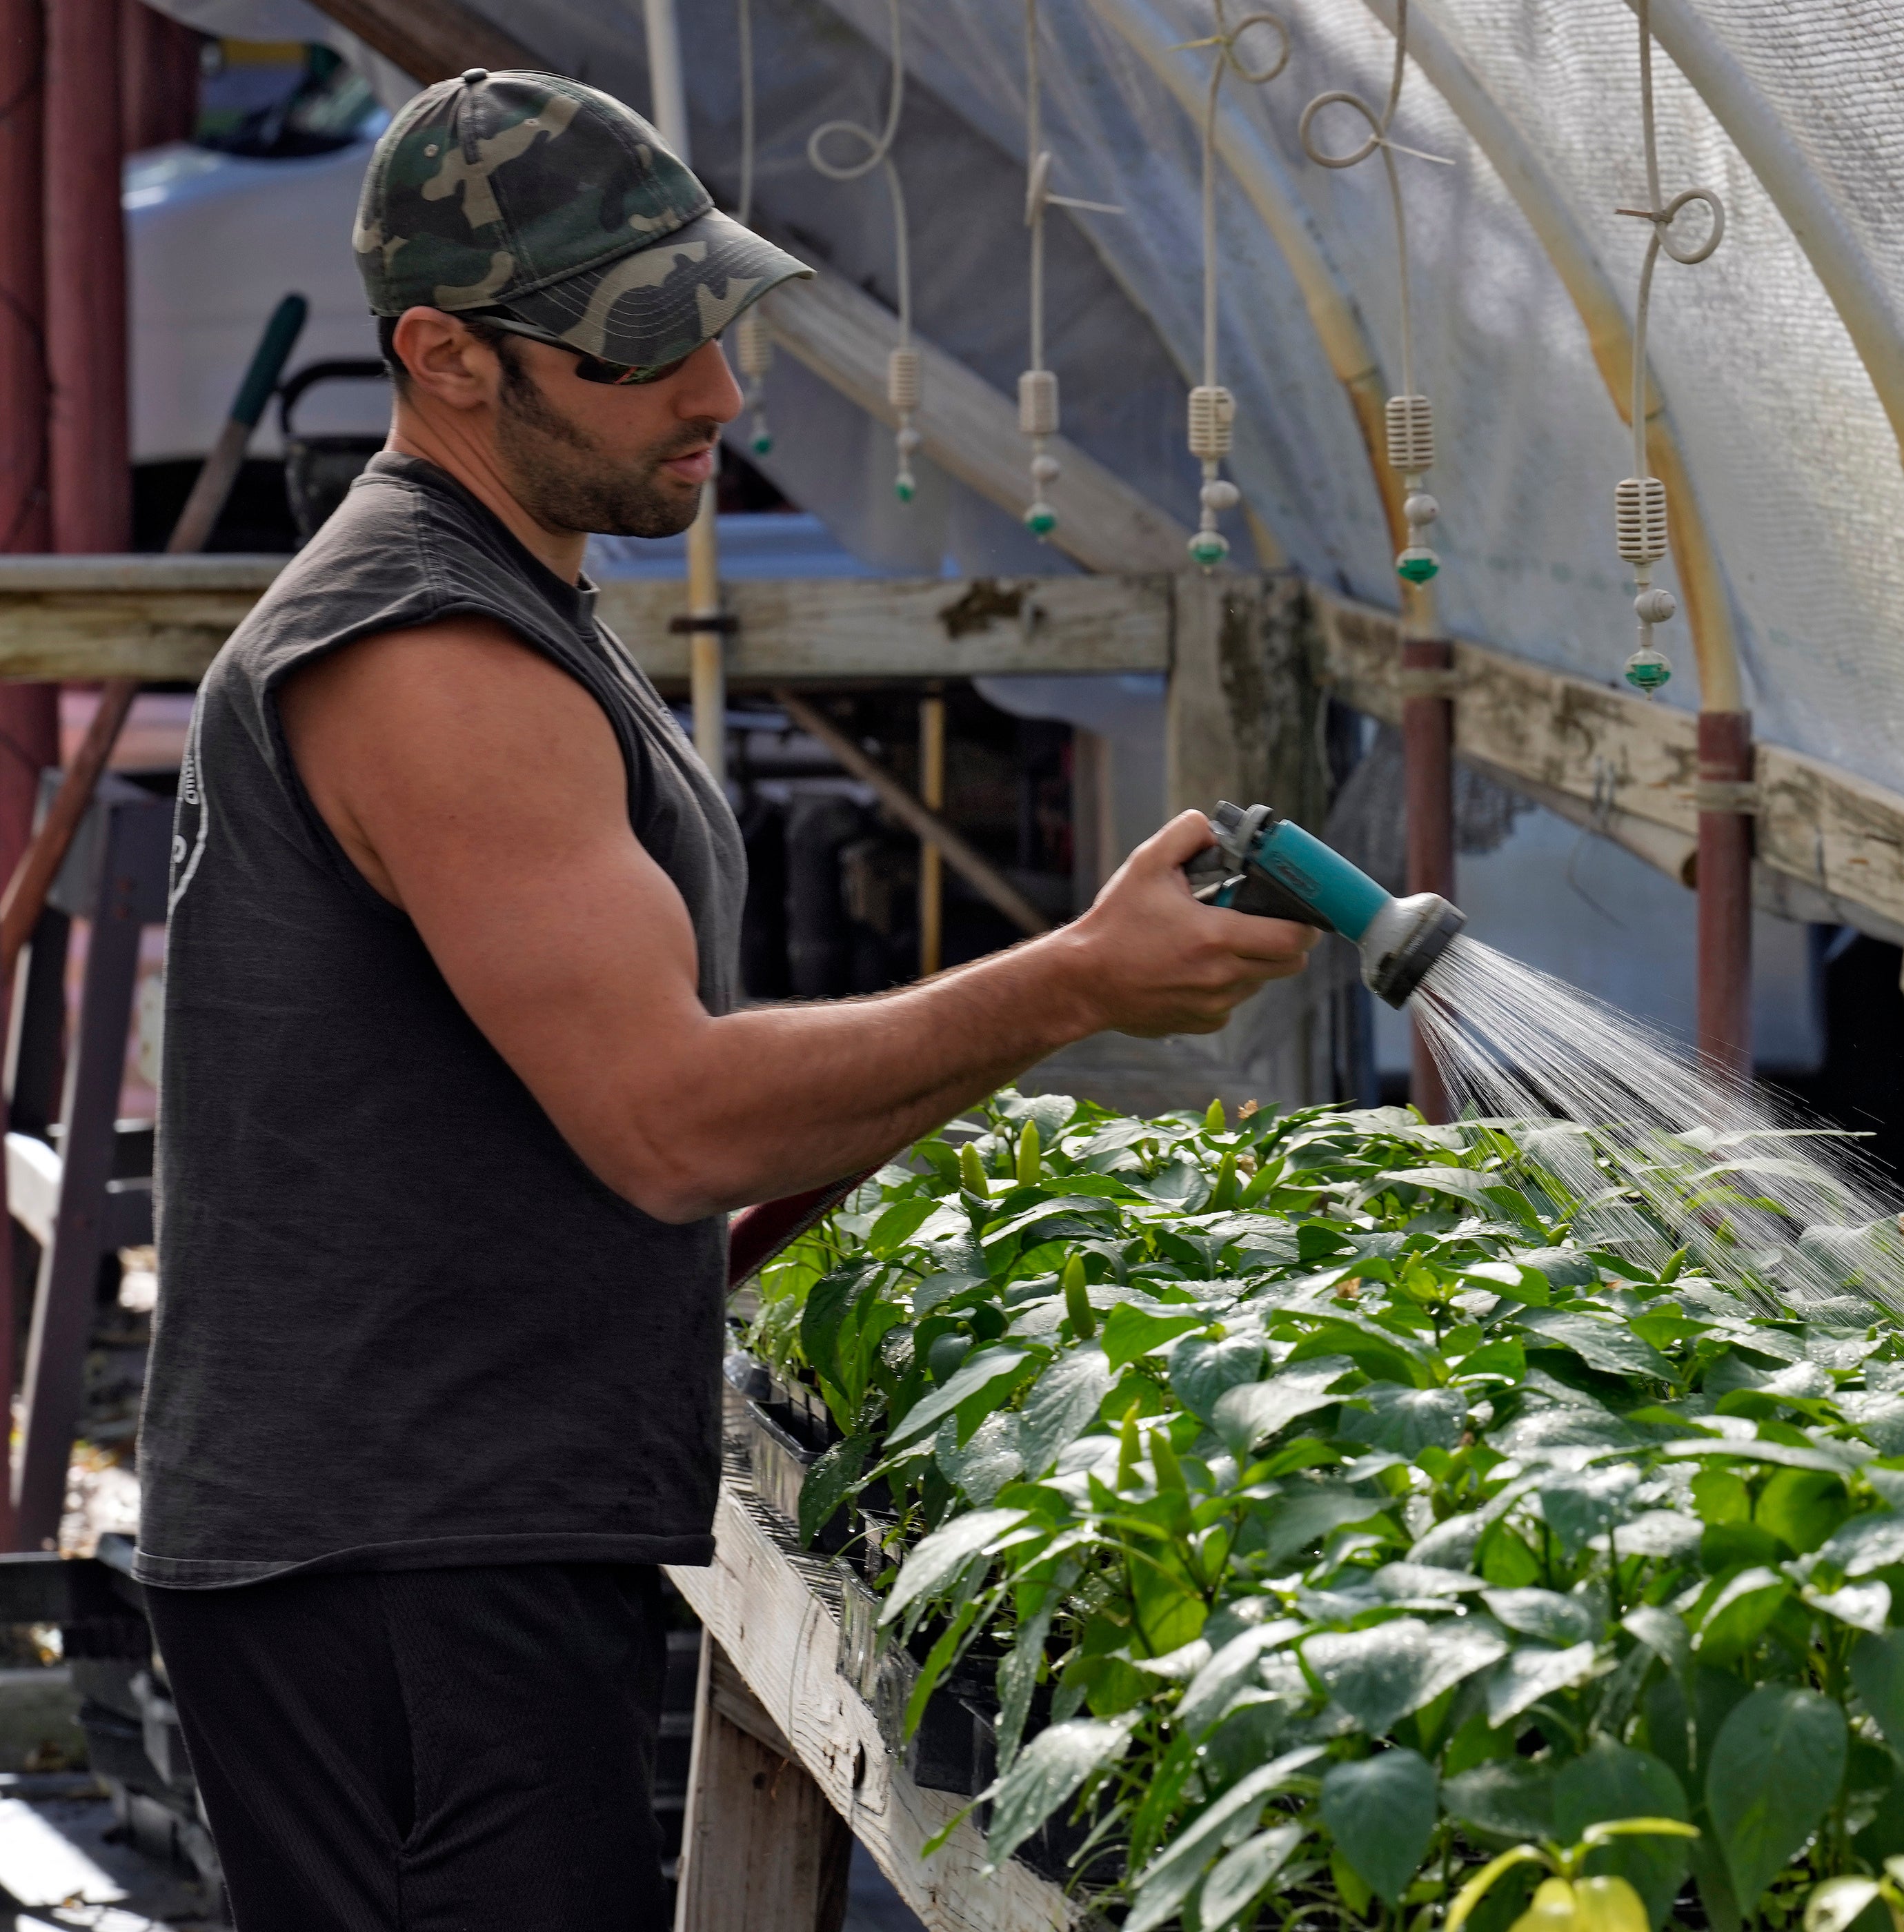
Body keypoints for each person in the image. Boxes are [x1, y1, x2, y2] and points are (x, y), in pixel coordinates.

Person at [134, 68, 1314, 1931]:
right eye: (639, 350)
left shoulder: (515, 608)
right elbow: (671, 1120)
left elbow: (633, 1148)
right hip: (406, 1571)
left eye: (712, 321)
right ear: (443, 354)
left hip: (457, 1530)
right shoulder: (426, 655)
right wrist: (1074, 980)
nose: (716, 393)